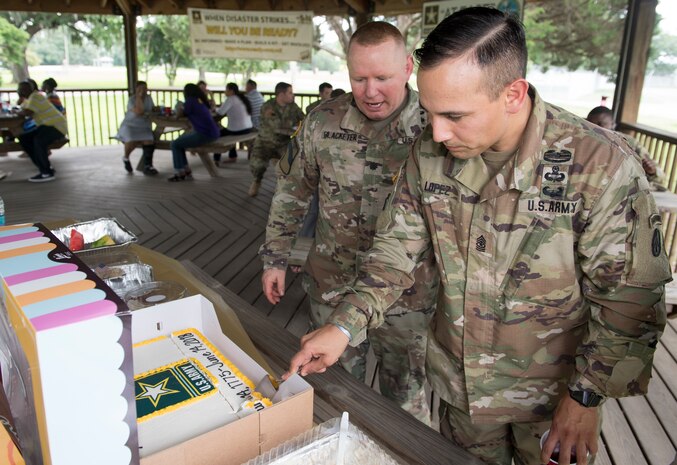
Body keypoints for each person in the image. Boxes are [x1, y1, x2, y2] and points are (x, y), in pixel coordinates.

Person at [284, 8, 671, 465]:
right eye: (428, 112)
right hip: (460, 390)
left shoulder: (600, 165)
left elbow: (629, 299)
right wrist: (344, 325)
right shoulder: (429, 152)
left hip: (553, 400)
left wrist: (585, 399)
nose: (438, 132)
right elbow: (394, 253)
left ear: (513, 93)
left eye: (454, 115)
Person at [259, 22, 438, 424]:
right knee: (333, 394)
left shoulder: (436, 127)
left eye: (382, 78)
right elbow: (292, 192)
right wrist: (275, 257)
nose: (370, 91)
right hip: (333, 287)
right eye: (359, 78)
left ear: (409, 67)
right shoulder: (323, 121)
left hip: (408, 295)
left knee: (406, 403)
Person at [586, 106, 666, 189]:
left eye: (600, 124)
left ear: (613, 125)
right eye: (590, 124)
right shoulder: (581, 140)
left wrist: (652, 172)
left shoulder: (629, 143)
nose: (595, 128)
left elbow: (660, 178)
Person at [247, 82, 304, 197]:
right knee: (257, 166)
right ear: (281, 94)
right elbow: (276, 125)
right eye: (290, 92)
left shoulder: (293, 106)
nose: (292, 95)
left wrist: (298, 127)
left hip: (283, 143)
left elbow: (303, 119)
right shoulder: (268, 106)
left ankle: (284, 187)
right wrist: (292, 125)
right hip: (264, 143)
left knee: (293, 164)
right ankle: (257, 181)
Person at [15, 80, 68, 182]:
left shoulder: (35, 97)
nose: (22, 91)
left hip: (56, 126)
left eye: (24, 89)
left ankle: (46, 173)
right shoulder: (30, 98)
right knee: (25, 139)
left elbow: (27, 112)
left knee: (39, 141)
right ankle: (45, 167)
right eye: (20, 89)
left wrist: (18, 111)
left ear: (31, 89)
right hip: (46, 126)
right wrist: (20, 101)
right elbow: (22, 107)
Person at [168, 83, 220, 182]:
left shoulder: (190, 101)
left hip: (204, 134)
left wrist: (179, 107)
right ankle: (185, 171)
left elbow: (179, 115)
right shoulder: (200, 100)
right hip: (213, 132)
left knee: (174, 144)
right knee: (179, 143)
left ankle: (180, 172)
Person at [114, 81, 158, 175]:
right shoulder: (132, 99)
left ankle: (148, 166)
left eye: (145, 88)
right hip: (130, 125)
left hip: (143, 126)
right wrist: (139, 97)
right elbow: (139, 111)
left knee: (149, 140)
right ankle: (126, 158)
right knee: (131, 141)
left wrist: (156, 109)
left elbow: (152, 108)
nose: (143, 91)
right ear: (136, 89)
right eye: (140, 88)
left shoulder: (149, 98)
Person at [213, 82, 254, 165]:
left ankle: (216, 159)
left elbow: (220, 112)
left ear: (231, 91)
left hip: (238, 130)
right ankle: (232, 156)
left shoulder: (231, 99)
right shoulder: (242, 98)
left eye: (226, 90)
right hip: (248, 128)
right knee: (229, 131)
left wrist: (214, 110)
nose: (225, 92)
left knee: (217, 134)